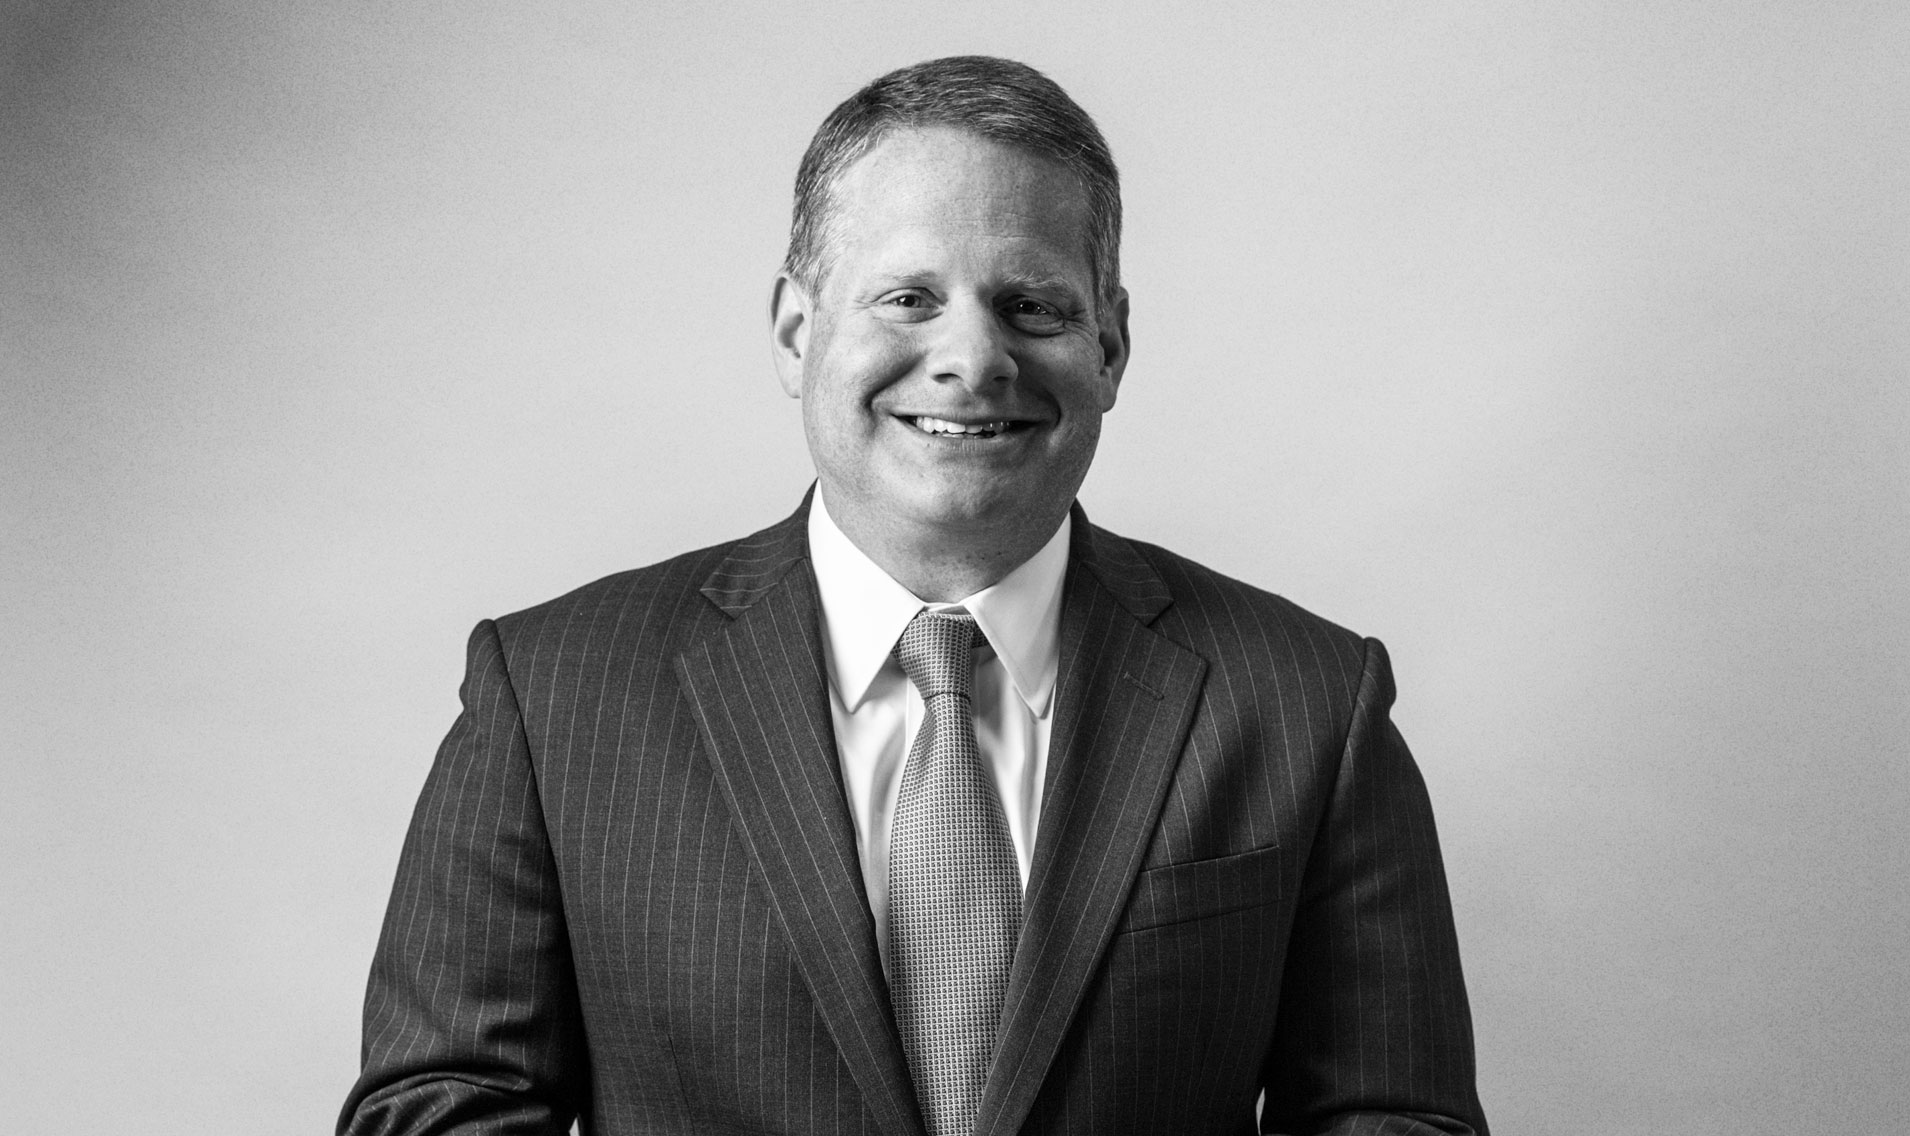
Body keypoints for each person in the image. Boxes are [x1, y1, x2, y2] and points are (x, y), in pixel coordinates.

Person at [339, 55, 1488, 1136]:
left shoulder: (1307, 701)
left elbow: (1393, 1116)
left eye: (1031, 304)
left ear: (1111, 346)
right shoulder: (554, 691)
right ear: (796, 333)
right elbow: (442, 1103)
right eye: (906, 297)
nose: (971, 357)